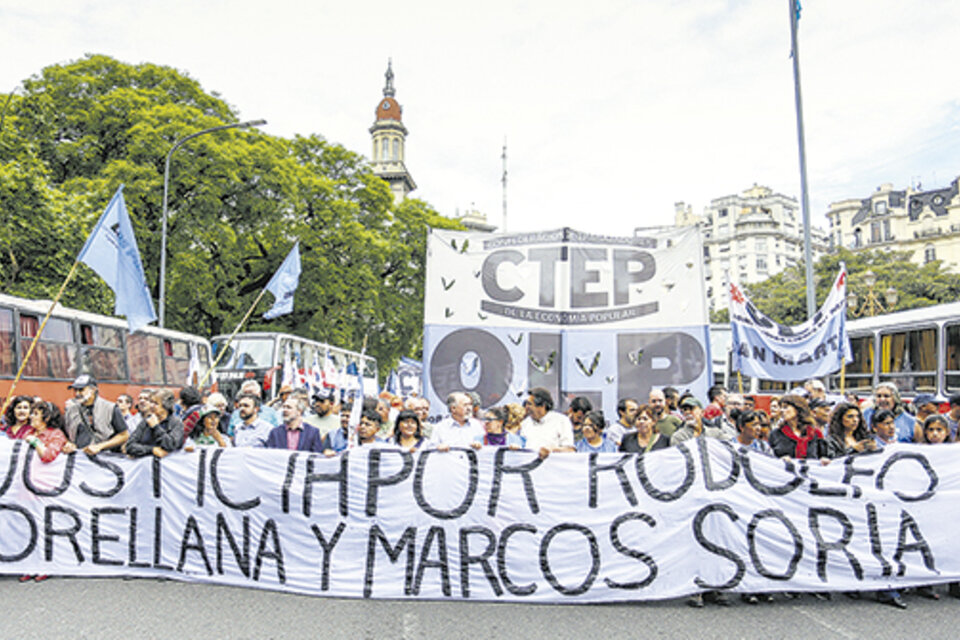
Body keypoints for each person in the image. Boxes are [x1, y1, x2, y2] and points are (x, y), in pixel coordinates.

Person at [20, 400, 68, 582]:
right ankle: (29, 565)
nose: (31, 417)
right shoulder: (28, 433)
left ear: (46, 418)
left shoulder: (55, 435)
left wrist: (35, 442)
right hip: (25, 487)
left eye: (35, 414)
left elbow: (48, 455)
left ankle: (45, 565)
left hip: (44, 488)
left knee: (43, 528)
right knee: (27, 527)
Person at [62, 375, 129, 455]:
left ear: (93, 390)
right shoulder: (70, 411)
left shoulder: (110, 408)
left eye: (81, 390)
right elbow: (65, 434)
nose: (77, 393)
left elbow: (124, 435)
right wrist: (69, 444)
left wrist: (100, 446)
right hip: (79, 459)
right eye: (75, 390)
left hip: (105, 457)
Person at [122, 389, 183, 458]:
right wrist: (152, 450)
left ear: (166, 406)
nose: (151, 406)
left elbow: (171, 445)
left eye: (155, 403)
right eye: (151, 402)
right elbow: (129, 446)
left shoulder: (175, 423)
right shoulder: (146, 421)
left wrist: (156, 427)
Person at [768, 395, 829, 460]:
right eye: (781, 408)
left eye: (785, 407)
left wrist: (824, 460)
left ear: (797, 409)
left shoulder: (815, 433)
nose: (782, 410)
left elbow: (824, 456)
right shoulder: (775, 434)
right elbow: (769, 458)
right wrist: (780, 460)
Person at [519, 387, 575, 458]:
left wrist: (552, 450)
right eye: (526, 404)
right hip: (529, 466)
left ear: (542, 405)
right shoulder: (525, 423)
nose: (526, 407)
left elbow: (570, 450)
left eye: (529, 404)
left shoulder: (561, 421)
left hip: (552, 466)